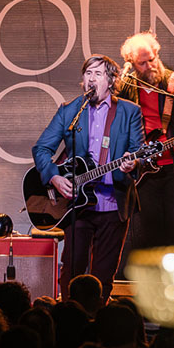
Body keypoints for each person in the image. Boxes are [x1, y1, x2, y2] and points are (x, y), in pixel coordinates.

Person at [32, 54, 144, 300]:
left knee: (103, 276)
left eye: (98, 74)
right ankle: (68, 319)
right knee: (71, 270)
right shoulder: (69, 111)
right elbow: (41, 149)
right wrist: (54, 178)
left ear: (112, 80)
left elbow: (139, 152)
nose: (92, 79)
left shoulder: (129, 111)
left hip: (113, 203)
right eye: (88, 73)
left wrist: (131, 163)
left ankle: (98, 323)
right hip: (77, 205)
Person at [118, 31, 174, 251]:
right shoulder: (126, 88)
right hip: (143, 172)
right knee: (147, 233)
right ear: (131, 64)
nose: (150, 66)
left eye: (152, 59)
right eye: (143, 63)